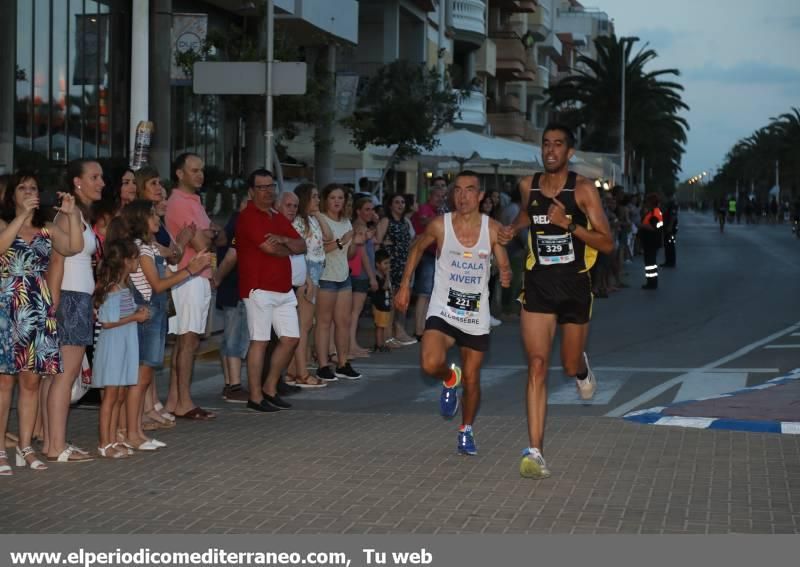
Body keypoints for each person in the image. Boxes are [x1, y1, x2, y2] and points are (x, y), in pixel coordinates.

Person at [499, 123, 613, 479]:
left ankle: (581, 368)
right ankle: (535, 451)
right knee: (536, 364)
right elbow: (526, 213)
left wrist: (569, 226)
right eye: (546, 144)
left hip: (576, 287)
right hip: (538, 285)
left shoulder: (583, 191)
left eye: (558, 145)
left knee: (566, 365)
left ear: (569, 152)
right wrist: (515, 228)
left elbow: (607, 243)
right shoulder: (527, 185)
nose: (550, 150)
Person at [395, 171, 511, 456]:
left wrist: (506, 272)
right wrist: (405, 286)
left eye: (470, 190)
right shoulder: (439, 225)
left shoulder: (493, 228)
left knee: (472, 380)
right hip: (444, 309)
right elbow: (416, 248)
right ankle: (449, 376)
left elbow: (502, 259)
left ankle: (466, 430)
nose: (463, 196)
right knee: (429, 363)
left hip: (474, 315)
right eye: (457, 190)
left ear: (480, 196)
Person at [0, 171, 84, 474]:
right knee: (5, 381)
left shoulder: (46, 227)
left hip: (36, 305)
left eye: (33, 188)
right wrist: (19, 217)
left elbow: (73, 247)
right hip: (7, 305)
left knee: (32, 381)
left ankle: (25, 446)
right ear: (11, 195)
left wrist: (71, 215)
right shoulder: (3, 224)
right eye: (22, 188)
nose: (28, 192)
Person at [43, 158, 105, 463]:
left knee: (59, 377)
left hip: (77, 299)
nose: (101, 183)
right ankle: (55, 445)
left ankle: (52, 441)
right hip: (69, 300)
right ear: (77, 183)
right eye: (95, 177)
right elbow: (57, 262)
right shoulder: (68, 216)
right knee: (64, 377)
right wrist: (54, 308)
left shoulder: (78, 215)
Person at [235, 169, 306, 412]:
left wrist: (284, 240)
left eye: (271, 186)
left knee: (291, 339)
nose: (268, 191)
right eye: (262, 187)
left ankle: (270, 388)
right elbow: (269, 249)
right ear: (251, 191)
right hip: (259, 289)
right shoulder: (247, 217)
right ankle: (255, 397)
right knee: (260, 342)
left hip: (283, 288)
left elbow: (302, 245)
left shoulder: (277, 216)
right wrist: (287, 245)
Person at [164, 152, 223, 420]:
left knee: (187, 342)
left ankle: (176, 401)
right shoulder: (178, 202)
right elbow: (203, 242)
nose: (199, 174)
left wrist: (209, 234)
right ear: (179, 173)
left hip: (198, 275)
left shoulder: (195, 201)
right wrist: (209, 234)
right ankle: (184, 401)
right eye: (194, 170)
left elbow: (217, 238)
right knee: (187, 342)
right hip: (188, 278)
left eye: (201, 170)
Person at [91, 238, 151, 458]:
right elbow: (107, 321)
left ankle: (113, 438)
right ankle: (104, 443)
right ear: (126, 261)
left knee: (118, 396)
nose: (138, 262)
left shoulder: (124, 287)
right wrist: (135, 316)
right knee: (110, 396)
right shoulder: (113, 288)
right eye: (136, 258)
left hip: (124, 345)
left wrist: (139, 311)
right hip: (113, 347)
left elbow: (125, 312)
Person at [315, 184, 364, 381]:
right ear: (326, 199)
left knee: (343, 322)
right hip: (325, 276)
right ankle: (323, 364)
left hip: (343, 276)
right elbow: (318, 250)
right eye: (333, 197)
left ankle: (343, 362)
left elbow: (348, 254)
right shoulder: (320, 221)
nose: (337, 201)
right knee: (324, 322)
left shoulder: (346, 222)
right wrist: (342, 242)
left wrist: (356, 243)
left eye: (340, 198)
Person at [288, 183, 332, 388]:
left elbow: (329, 236)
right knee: (303, 325)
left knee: (306, 324)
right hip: (307, 270)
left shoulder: (313, 219)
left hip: (316, 269)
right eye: (313, 197)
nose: (317, 200)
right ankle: (301, 372)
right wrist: (307, 279)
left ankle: (294, 370)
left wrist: (319, 215)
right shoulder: (298, 222)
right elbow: (298, 253)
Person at [376, 194, 417, 346]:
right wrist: (381, 267)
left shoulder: (406, 222)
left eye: (402, 202)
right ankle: (387, 336)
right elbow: (378, 242)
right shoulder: (386, 221)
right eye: (396, 202)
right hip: (391, 265)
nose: (400, 205)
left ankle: (398, 331)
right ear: (390, 205)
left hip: (404, 264)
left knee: (401, 300)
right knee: (390, 301)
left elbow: (410, 242)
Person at [410, 181, 447, 340]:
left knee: (430, 293)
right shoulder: (426, 209)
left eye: (442, 196)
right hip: (425, 253)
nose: (440, 199)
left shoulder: (440, 211)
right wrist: (439, 218)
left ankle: (423, 327)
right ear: (430, 196)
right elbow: (426, 222)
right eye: (437, 196)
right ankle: (418, 329)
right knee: (424, 293)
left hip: (435, 253)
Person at [369, 249, 393, 352]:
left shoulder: (382, 275)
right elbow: (384, 287)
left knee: (382, 326)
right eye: (385, 263)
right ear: (377, 264)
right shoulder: (377, 277)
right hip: (379, 306)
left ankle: (382, 343)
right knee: (380, 326)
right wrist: (388, 276)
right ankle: (379, 344)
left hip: (384, 305)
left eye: (388, 263)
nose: (387, 266)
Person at [640, 193, 664, 290]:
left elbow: (653, 228)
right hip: (652, 241)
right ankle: (651, 282)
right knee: (651, 263)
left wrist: (641, 225)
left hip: (651, 241)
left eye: (647, 201)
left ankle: (651, 283)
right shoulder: (655, 211)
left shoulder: (655, 213)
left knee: (650, 263)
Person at [661, 195, 678, 268]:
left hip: (670, 228)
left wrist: (670, 226)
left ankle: (671, 262)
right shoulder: (669, 204)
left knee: (670, 244)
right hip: (667, 226)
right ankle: (668, 261)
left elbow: (673, 216)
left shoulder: (672, 204)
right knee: (667, 245)